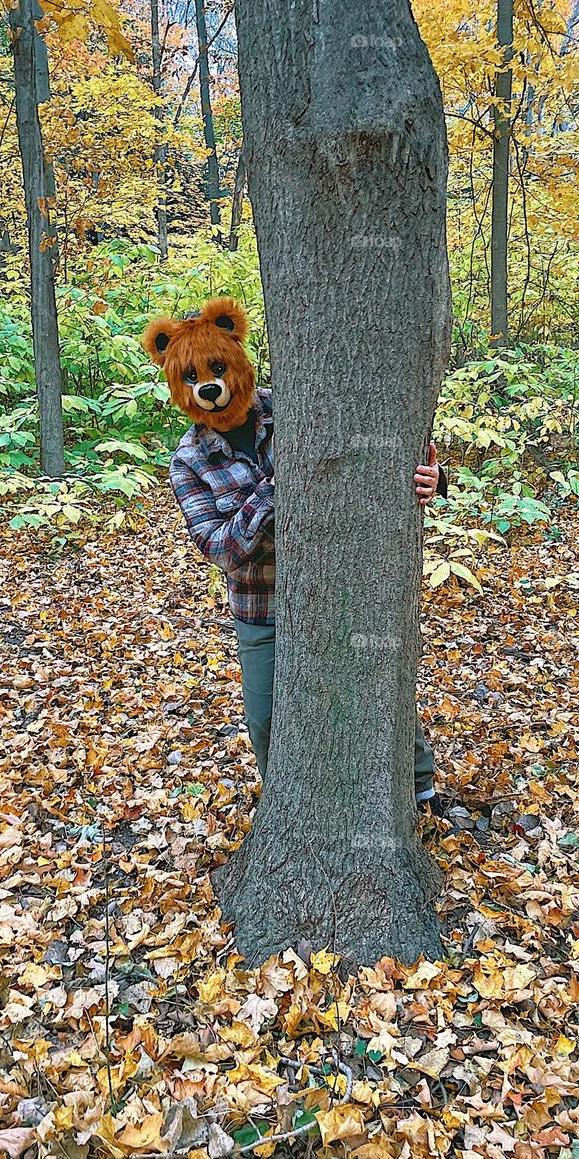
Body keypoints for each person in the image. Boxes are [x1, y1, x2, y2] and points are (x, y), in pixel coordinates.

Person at [143, 296, 446, 801]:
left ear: (236, 358)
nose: (208, 387)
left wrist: (429, 478)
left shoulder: (295, 409)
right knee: (264, 718)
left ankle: (416, 788)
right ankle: (294, 805)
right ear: (179, 387)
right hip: (262, 607)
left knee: (374, 690)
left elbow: (365, 457)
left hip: (340, 583)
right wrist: (271, 494)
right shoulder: (188, 461)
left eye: (216, 370)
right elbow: (219, 548)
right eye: (192, 378)